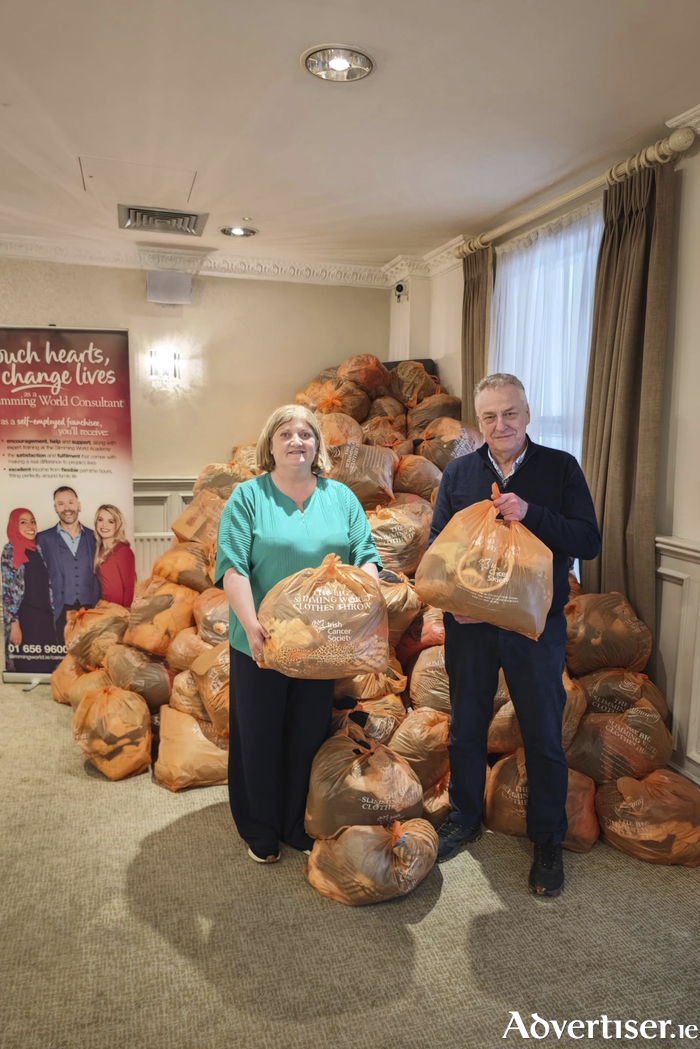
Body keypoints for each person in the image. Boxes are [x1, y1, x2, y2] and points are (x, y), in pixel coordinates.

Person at [429, 373, 601, 897]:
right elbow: (439, 546)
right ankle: (463, 815)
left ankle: (547, 838)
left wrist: (532, 513)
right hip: (472, 629)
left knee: (543, 731)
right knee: (467, 722)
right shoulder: (459, 473)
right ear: (478, 422)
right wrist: (458, 607)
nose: (500, 424)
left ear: (528, 414)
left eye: (510, 413)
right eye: (489, 416)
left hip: (535, 626)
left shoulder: (560, 468)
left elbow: (587, 541)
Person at [215, 404, 382, 864]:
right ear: (270, 445)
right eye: (285, 433)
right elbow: (231, 566)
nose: (296, 441)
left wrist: (360, 603)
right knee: (259, 734)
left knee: (306, 735)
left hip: (321, 645)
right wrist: (252, 626)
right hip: (262, 639)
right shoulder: (248, 498)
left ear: (317, 446)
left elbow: (366, 556)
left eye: (306, 433)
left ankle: (294, 823)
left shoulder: (341, 498)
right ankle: (260, 828)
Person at [36, 487, 101, 642]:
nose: (67, 508)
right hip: (59, 610)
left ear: (79, 505)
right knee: (61, 659)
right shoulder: (43, 539)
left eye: (70, 503)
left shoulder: (96, 537)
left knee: (89, 658)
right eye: (61, 504)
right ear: (55, 508)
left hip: (90, 609)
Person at [2, 508, 57, 673]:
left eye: (33, 521)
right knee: (27, 664)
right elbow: (8, 591)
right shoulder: (10, 551)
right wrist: (14, 623)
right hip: (25, 618)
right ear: (14, 525)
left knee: (47, 663)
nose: (30, 525)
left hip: (45, 617)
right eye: (23, 522)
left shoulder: (38, 550)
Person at [93, 504, 136, 607]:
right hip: (103, 610)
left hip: (117, 613)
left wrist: (124, 616)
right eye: (100, 520)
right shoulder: (100, 550)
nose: (104, 525)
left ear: (118, 525)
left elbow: (129, 588)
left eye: (110, 521)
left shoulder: (123, 551)